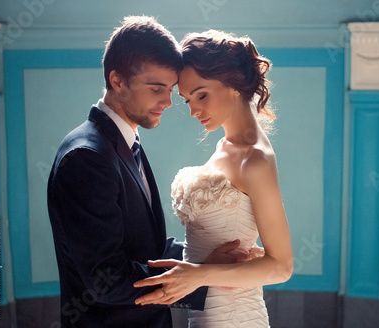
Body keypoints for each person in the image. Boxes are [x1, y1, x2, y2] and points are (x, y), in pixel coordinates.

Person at [47, 17, 248, 328]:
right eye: (156, 88)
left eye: (170, 89)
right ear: (117, 80)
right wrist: (201, 275)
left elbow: (144, 249)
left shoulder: (125, 142)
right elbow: (107, 280)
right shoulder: (86, 157)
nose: (168, 102)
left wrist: (206, 258)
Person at [134, 30, 294, 327]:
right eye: (187, 100)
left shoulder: (255, 158)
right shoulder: (224, 147)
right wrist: (198, 270)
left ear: (233, 82)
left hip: (237, 316)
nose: (193, 110)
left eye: (201, 95)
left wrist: (198, 274)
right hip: (206, 314)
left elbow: (281, 266)